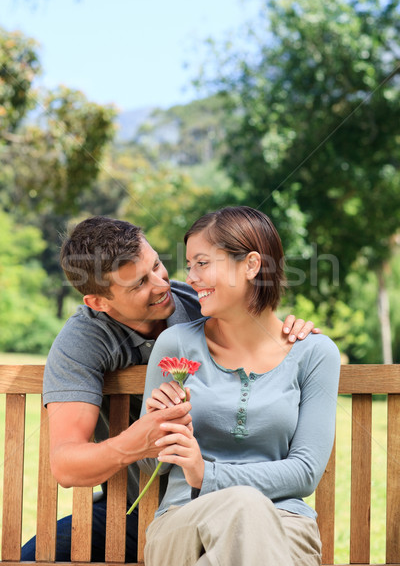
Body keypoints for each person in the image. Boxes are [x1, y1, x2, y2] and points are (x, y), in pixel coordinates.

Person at [21, 215, 319, 562]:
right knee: (32, 558)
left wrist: (291, 329)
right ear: (99, 303)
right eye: (138, 285)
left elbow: (259, 328)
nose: (162, 285)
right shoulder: (81, 343)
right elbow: (66, 464)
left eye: (157, 266)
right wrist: (136, 442)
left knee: (242, 520)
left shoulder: (198, 302)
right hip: (140, 511)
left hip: (241, 500)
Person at [139, 206, 341, 566]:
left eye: (202, 263)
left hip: (284, 528)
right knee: (243, 505)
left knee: (245, 511)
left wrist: (207, 474)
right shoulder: (176, 346)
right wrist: (158, 427)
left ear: (250, 265)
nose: (191, 277)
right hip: (185, 524)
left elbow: (305, 472)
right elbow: (151, 465)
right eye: (189, 266)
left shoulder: (314, 353)